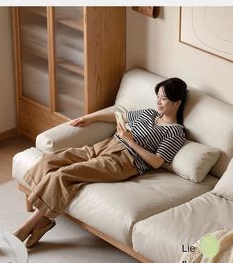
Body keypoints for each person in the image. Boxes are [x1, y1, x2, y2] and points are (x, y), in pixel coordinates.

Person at [13, 77, 187, 248]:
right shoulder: (149, 113)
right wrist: (92, 118)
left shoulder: (176, 132)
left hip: (123, 161)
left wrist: (131, 141)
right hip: (105, 145)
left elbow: (157, 162)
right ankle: (43, 221)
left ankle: (25, 227)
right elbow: (120, 116)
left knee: (63, 175)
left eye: (163, 98)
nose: (158, 101)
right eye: (158, 96)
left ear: (177, 103)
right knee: (48, 160)